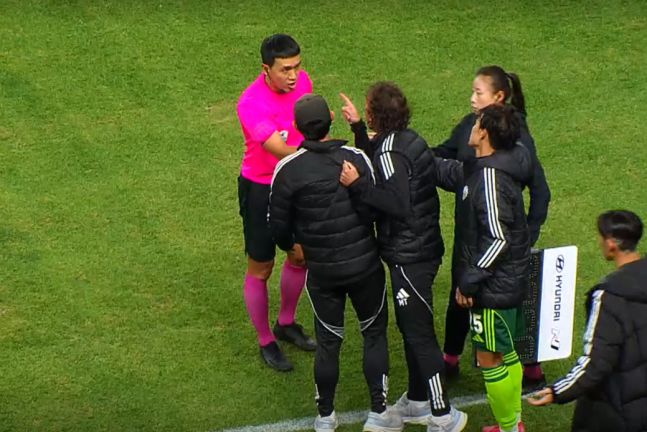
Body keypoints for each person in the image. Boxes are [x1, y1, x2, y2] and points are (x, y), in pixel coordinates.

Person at [269, 94, 403, 432]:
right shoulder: (356, 158)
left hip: (323, 271)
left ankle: (326, 417)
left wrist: (293, 247)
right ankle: (379, 412)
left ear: (297, 127)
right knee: (374, 334)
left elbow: (278, 226)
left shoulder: (287, 169)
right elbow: (373, 209)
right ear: (331, 119)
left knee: (328, 342)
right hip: (365, 268)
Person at [338, 83, 467, 432]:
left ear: (376, 113)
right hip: (421, 248)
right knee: (413, 329)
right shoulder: (409, 140)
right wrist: (357, 129)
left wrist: (357, 185)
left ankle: (443, 415)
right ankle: (417, 400)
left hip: (411, 256)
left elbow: (396, 202)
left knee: (419, 334)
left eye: (367, 109)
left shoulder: (391, 151)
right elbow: (384, 164)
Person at [433, 65, 551, 390]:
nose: (472, 99)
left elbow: (540, 191)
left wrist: (527, 234)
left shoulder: (508, 149)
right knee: (464, 289)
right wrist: (410, 153)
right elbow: (444, 156)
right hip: (472, 231)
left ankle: (527, 368)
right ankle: (451, 359)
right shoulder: (472, 127)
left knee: (504, 300)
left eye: (478, 92)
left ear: (499, 97)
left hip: (494, 237)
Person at [434, 104, 532, 432]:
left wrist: (468, 281)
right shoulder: (497, 166)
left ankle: (509, 428)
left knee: (491, 358)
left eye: (476, 124)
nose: (471, 128)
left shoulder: (489, 178)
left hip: (493, 287)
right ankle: (513, 423)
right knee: (507, 353)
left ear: (485, 133)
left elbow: (498, 239)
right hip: (509, 281)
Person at [236, 34, 315, 372]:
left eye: (297, 66)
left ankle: (285, 322)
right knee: (262, 267)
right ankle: (266, 339)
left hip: (295, 184)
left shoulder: (304, 83)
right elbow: (279, 149)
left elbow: (307, 128)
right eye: (285, 69)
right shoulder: (251, 103)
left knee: (300, 255)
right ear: (266, 69)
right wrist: (319, 152)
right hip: (261, 189)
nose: (294, 76)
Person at [528, 210, 647, 432]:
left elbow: (596, 362)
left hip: (615, 411)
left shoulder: (609, 296)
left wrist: (557, 392)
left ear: (611, 243)